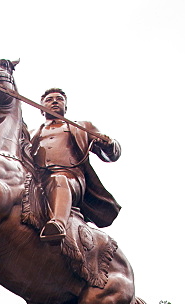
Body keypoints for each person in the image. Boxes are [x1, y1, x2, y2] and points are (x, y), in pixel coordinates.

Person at [30, 88, 121, 242]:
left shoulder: (81, 127)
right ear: (40, 108)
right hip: (36, 181)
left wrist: (109, 144)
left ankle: (58, 223)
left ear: (66, 107)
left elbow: (112, 154)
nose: (54, 101)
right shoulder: (31, 133)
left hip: (69, 177)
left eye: (59, 99)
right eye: (49, 99)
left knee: (58, 180)